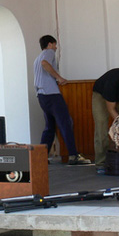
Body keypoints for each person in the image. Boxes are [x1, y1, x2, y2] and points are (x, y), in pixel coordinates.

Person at [33, 35, 91, 165]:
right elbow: (45, 64)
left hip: (41, 96)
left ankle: (41, 157)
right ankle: (73, 155)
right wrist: (59, 78)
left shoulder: (37, 58)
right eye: (55, 44)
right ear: (49, 44)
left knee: (50, 127)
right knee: (65, 123)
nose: (56, 47)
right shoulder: (49, 53)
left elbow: (42, 65)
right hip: (52, 94)